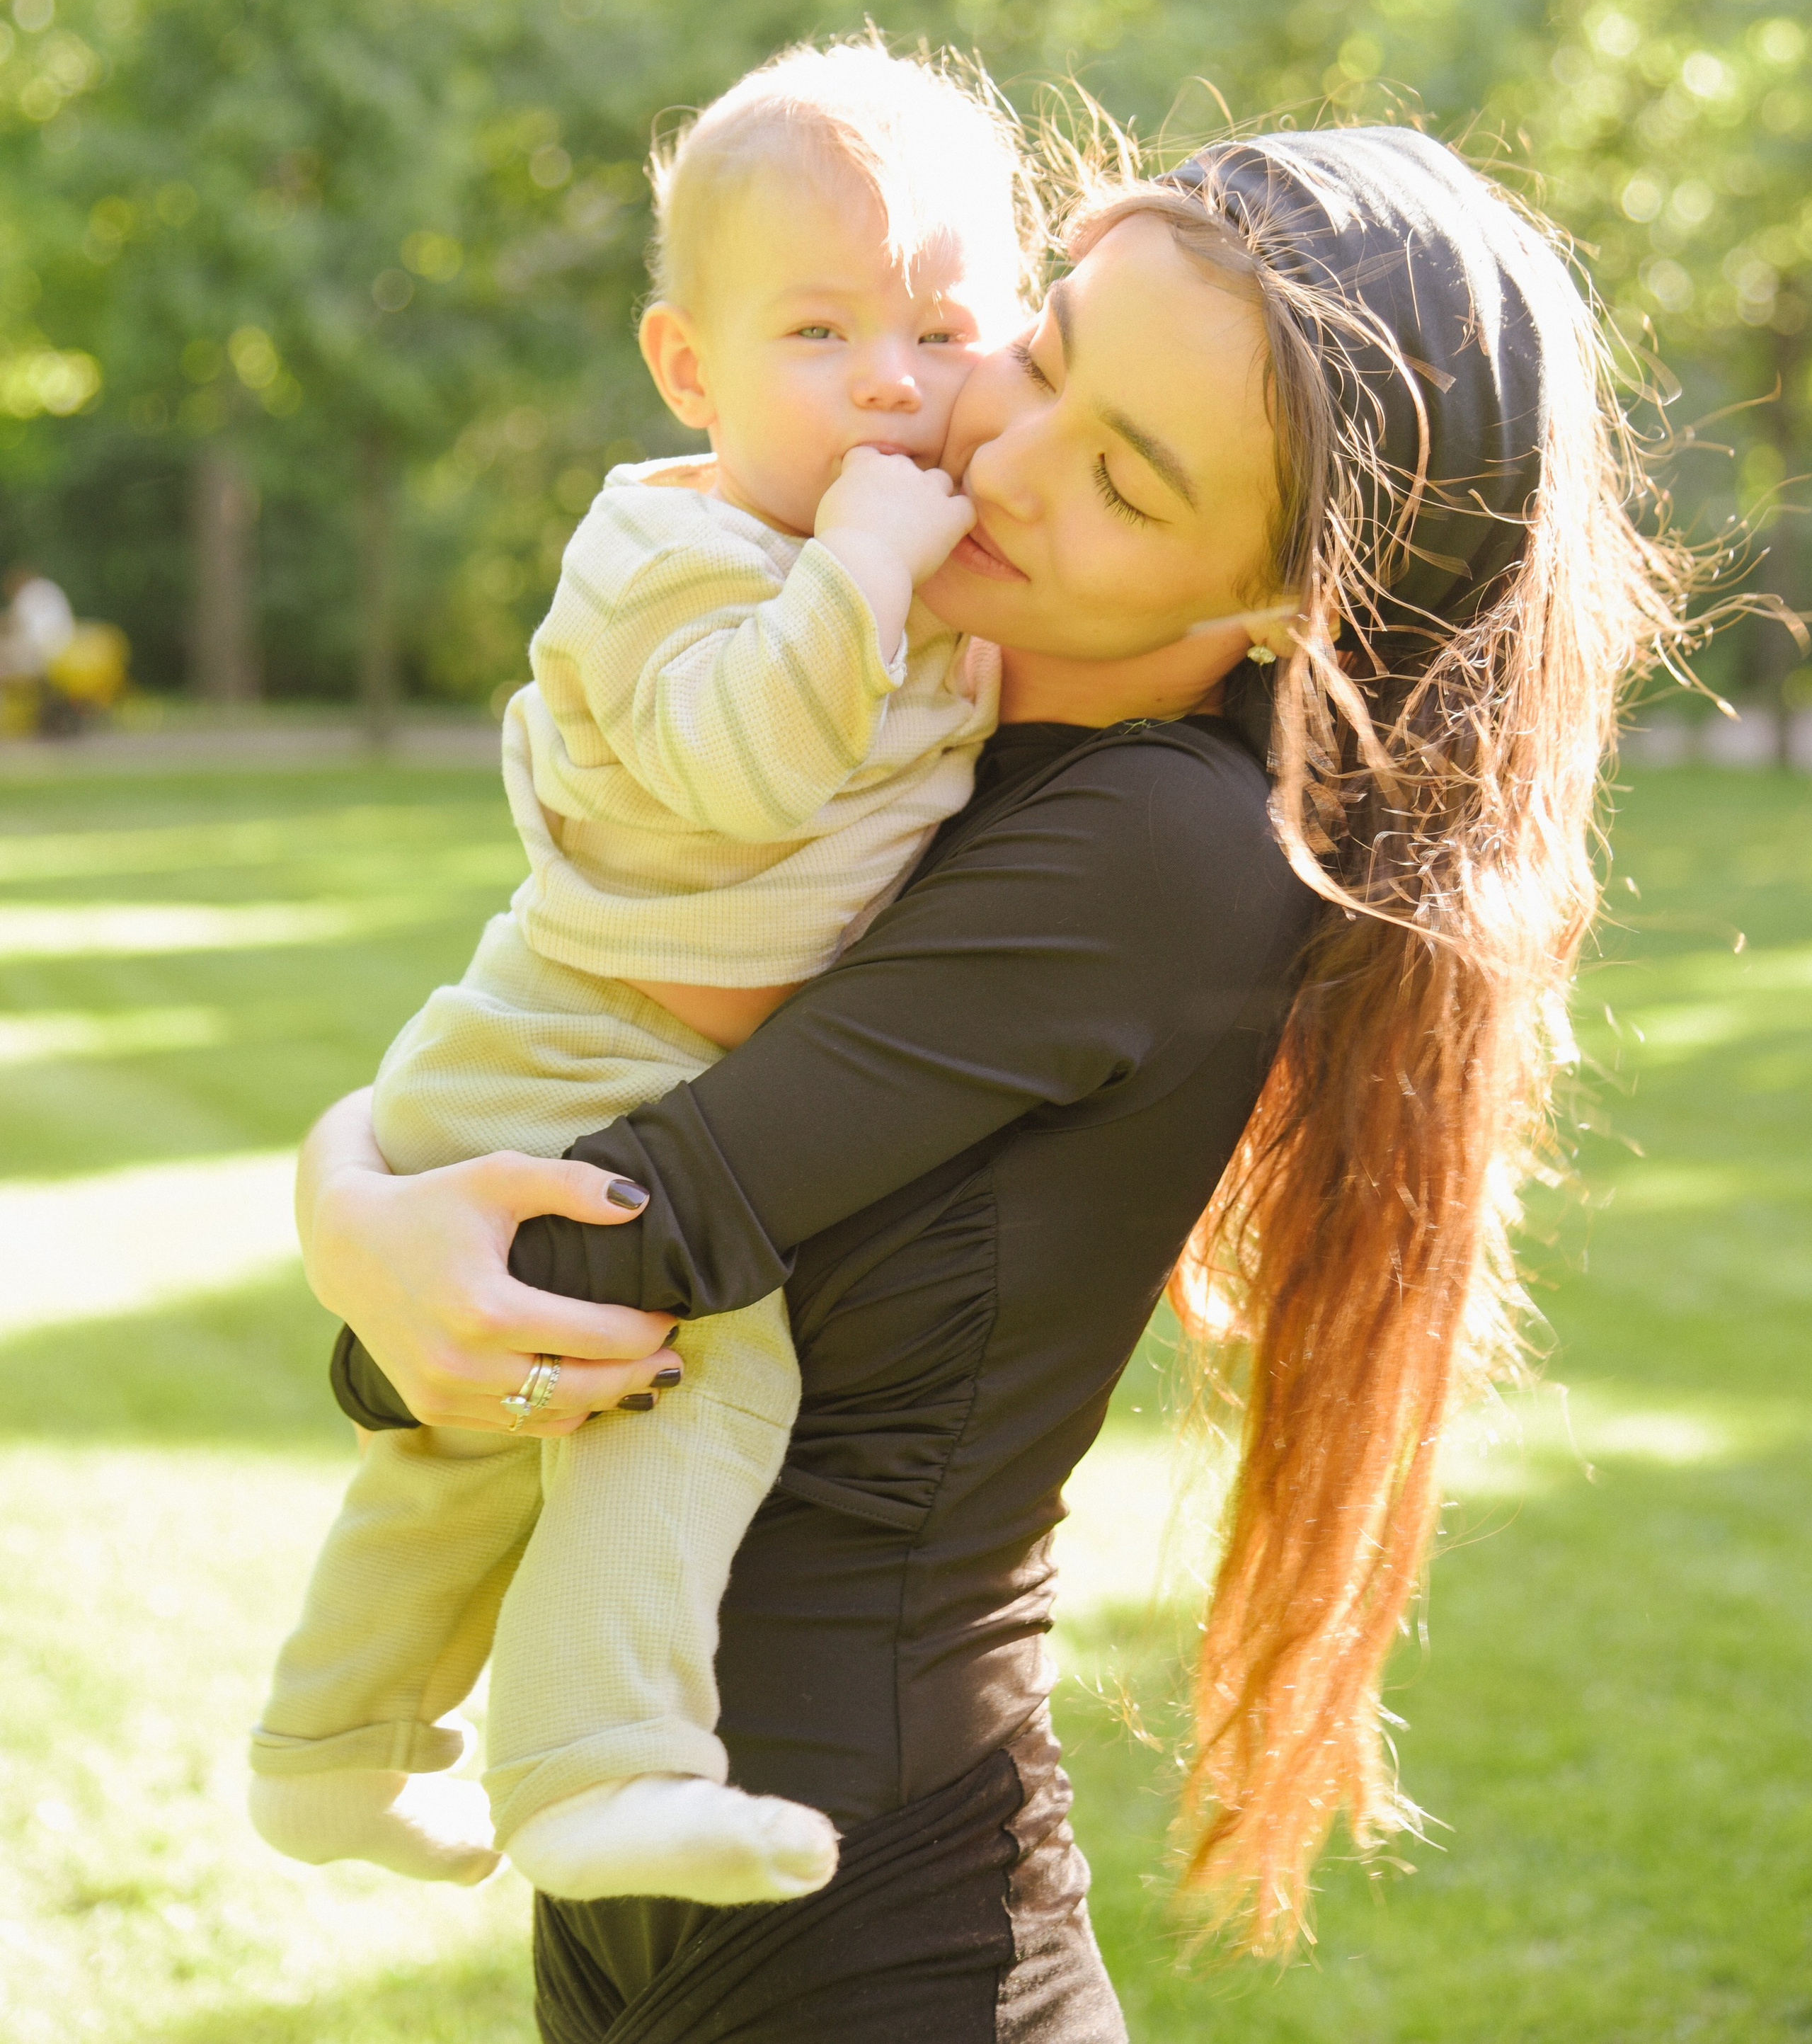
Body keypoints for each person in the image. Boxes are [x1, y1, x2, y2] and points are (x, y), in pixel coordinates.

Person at [293, 126, 1687, 2041]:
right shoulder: (904, 720)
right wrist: (362, 1205)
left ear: (1285, 604)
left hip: (867, 1946)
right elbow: (570, 994)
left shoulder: (1161, 849)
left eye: (1123, 478)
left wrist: (364, 1242)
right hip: (650, 1919)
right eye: (1040, 355)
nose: (1010, 459)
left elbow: (631, 1231)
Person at [249, 42, 1033, 1904]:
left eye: (942, 329)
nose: (891, 380)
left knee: (461, 1453)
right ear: (690, 367)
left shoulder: (901, 566)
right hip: (565, 1049)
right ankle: (597, 1768)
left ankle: (325, 1753)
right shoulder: (672, 553)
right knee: (688, 1372)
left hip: (619, 1060)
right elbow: (742, 768)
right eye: (820, 333)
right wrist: (862, 569)